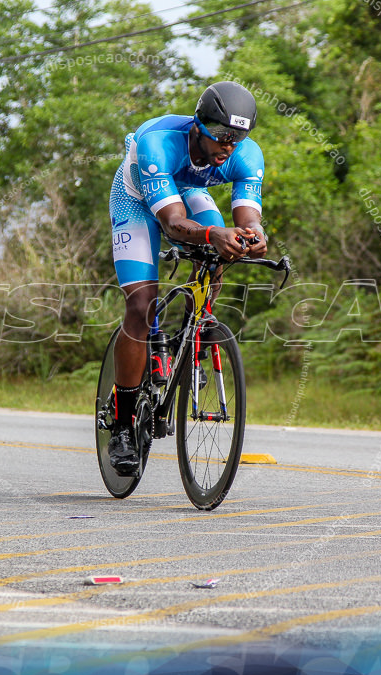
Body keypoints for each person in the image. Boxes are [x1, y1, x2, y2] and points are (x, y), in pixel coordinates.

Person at [107, 81, 268, 475]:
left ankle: (192, 333)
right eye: (223, 136)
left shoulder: (246, 155)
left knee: (217, 257)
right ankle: (123, 423)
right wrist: (213, 233)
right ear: (200, 123)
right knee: (142, 305)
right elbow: (175, 224)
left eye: (238, 138)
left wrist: (255, 236)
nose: (229, 146)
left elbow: (249, 214)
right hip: (137, 200)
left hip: (190, 191)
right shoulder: (159, 141)